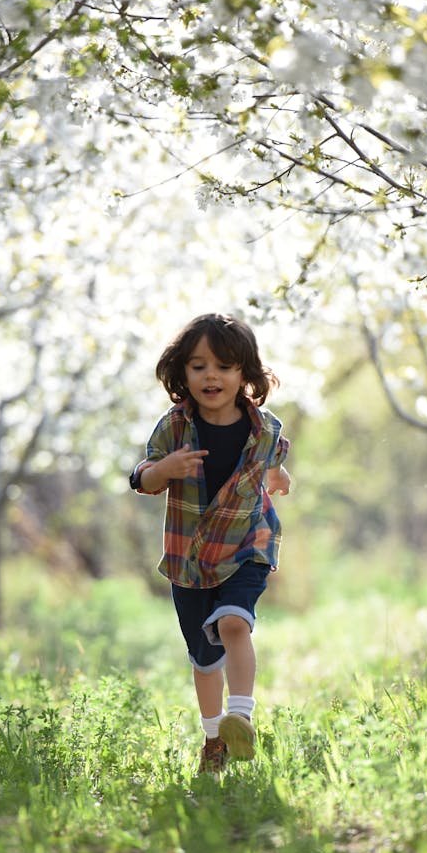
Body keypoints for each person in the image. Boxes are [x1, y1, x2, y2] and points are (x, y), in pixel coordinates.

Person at [129, 313, 291, 774]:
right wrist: (163, 471)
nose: (211, 376)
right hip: (191, 558)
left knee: (234, 624)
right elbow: (142, 475)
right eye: (198, 366)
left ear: (245, 374)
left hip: (248, 544)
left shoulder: (264, 428)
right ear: (182, 374)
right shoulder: (175, 428)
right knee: (205, 658)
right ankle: (214, 736)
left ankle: (241, 715)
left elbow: (273, 458)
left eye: (223, 366)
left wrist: (278, 476)